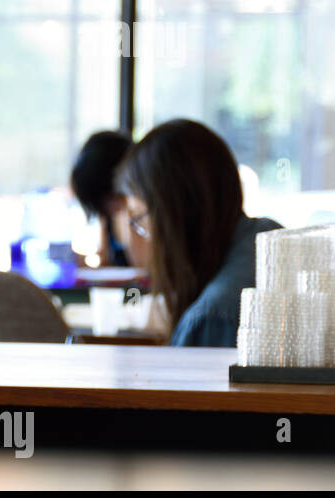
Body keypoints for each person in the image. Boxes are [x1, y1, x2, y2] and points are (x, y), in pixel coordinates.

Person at [116, 119, 282, 347]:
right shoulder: (268, 236)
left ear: (172, 214)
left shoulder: (211, 320)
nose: (145, 235)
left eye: (139, 219)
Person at [70, 130, 134, 266]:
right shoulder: (108, 216)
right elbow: (107, 262)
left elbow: (144, 268)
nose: (110, 207)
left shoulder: (140, 217)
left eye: (110, 196)